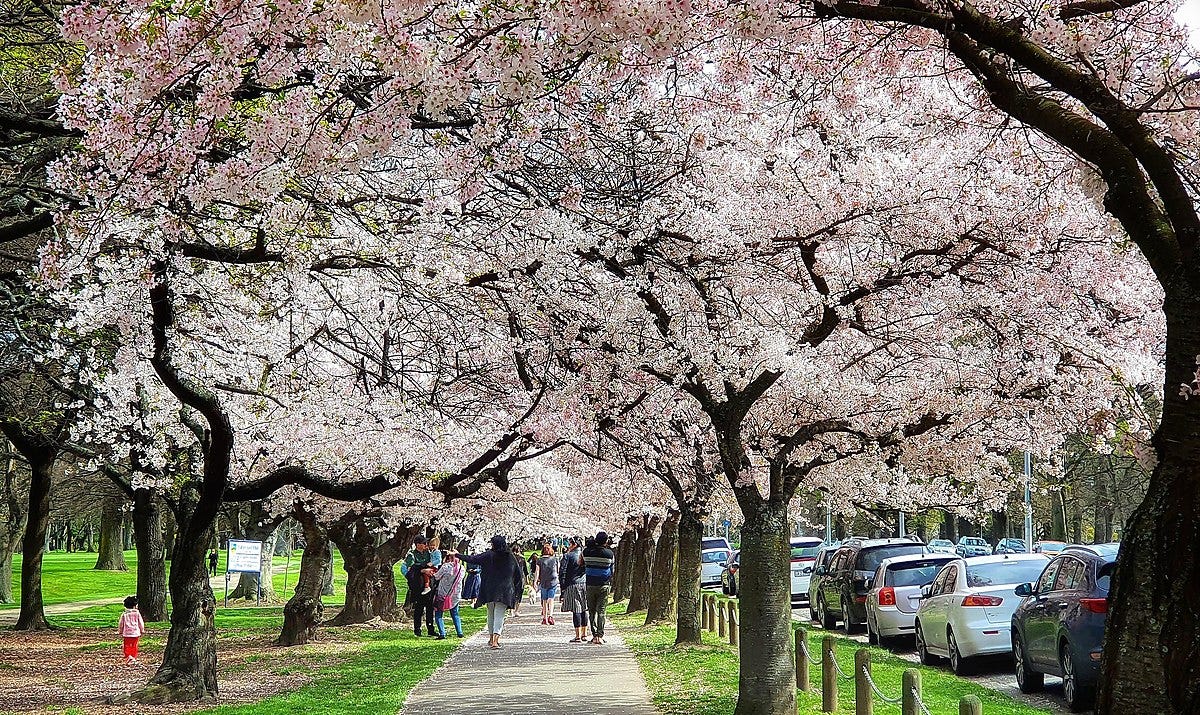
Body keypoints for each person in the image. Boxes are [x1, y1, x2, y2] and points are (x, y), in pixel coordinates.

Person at [460, 535, 524, 649]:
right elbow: (518, 574)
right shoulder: (510, 557)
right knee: (499, 615)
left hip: (489, 589)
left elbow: (472, 559)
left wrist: (457, 554)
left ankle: (490, 638)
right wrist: (517, 590)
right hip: (505, 590)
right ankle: (495, 640)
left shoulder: (488, 555)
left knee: (491, 614)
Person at [582, 530, 615, 645]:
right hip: (604, 584)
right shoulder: (609, 554)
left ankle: (594, 634)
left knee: (591, 611)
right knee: (601, 611)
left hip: (590, 584)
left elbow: (582, 564)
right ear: (606, 541)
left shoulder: (586, 552)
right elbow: (612, 570)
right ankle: (600, 636)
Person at [558, 537, 588, 642]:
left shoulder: (568, 556)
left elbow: (562, 572)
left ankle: (578, 635)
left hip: (573, 584)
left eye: (569, 544)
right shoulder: (585, 555)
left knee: (577, 609)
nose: (568, 546)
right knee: (585, 609)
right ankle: (585, 634)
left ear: (574, 544)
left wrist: (563, 588)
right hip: (585, 583)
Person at [433, 550, 465, 639]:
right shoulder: (461, 568)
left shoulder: (445, 567)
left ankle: (442, 633)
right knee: (455, 613)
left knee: (438, 614)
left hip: (443, 593)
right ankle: (459, 632)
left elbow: (437, 576)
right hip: (455, 595)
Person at [406, 559, 437, 637]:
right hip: (419, 593)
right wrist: (421, 571)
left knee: (430, 612)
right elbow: (409, 576)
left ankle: (430, 629)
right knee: (418, 611)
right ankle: (417, 629)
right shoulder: (415, 567)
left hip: (430, 593)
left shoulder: (433, 567)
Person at [533, 543, 560, 625]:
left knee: (544, 600)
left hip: (543, 581)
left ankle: (545, 618)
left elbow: (537, 571)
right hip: (553, 581)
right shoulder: (555, 559)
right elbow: (558, 569)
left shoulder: (539, 560)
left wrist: (535, 581)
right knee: (551, 599)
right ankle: (550, 616)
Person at [117, 595, 145, 665]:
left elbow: (121, 623)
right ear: (134, 606)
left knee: (127, 645)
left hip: (126, 633)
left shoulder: (124, 614)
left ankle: (128, 656)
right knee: (134, 645)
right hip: (136, 633)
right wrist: (142, 629)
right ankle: (133, 657)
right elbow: (140, 622)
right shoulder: (137, 613)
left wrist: (120, 631)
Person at [511, 544, 528, 616]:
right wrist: (527, 580)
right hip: (520, 578)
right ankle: (516, 610)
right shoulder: (522, 559)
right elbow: (525, 571)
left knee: (512, 594)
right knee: (519, 594)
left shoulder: (510, 559)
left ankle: (511, 610)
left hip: (511, 578)